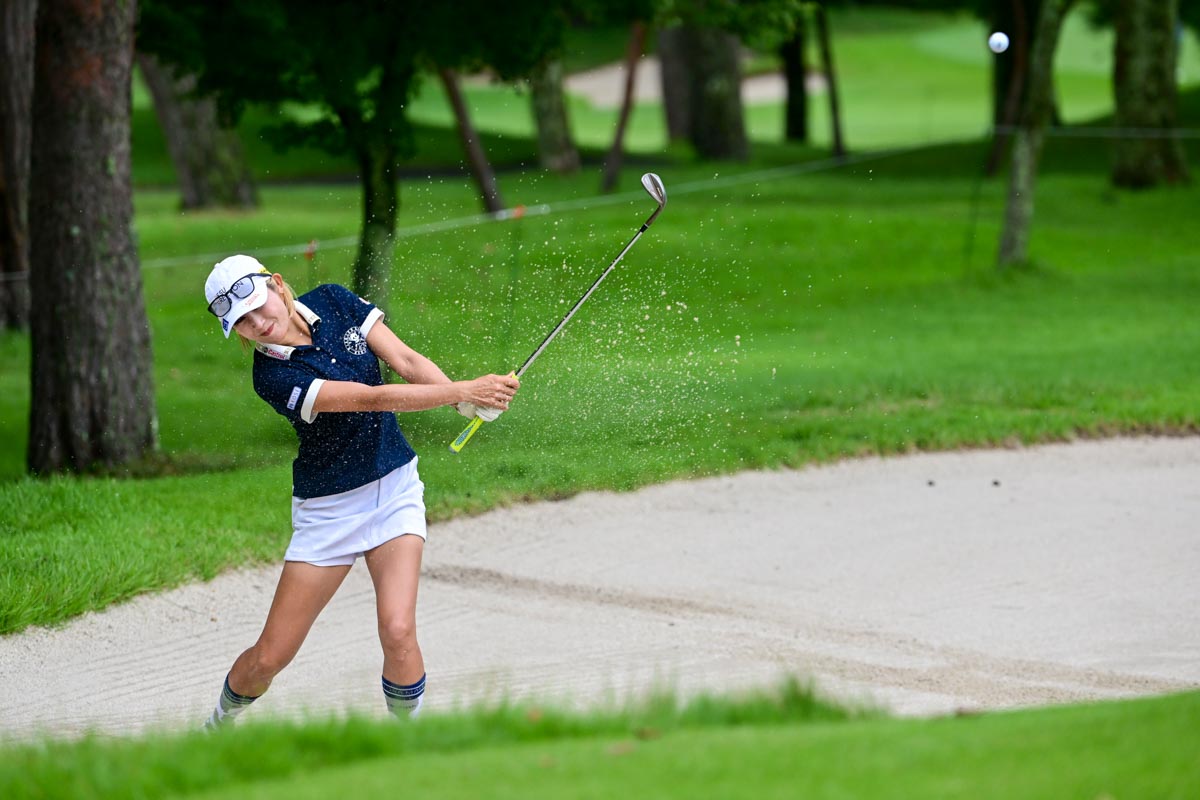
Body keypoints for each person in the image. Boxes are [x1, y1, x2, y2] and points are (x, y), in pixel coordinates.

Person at [201, 254, 518, 729]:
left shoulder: (334, 299)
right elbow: (373, 398)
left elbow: (406, 361)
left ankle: (408, 743)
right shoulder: (270, 376)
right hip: (329, 511)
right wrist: (464, 391)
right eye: (241, 322)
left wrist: (466, 402)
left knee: (398, 629)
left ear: (278, 284)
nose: (256, 323)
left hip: (394, 488)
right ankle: (216, 726)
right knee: (270, 657)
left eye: (256, 305)